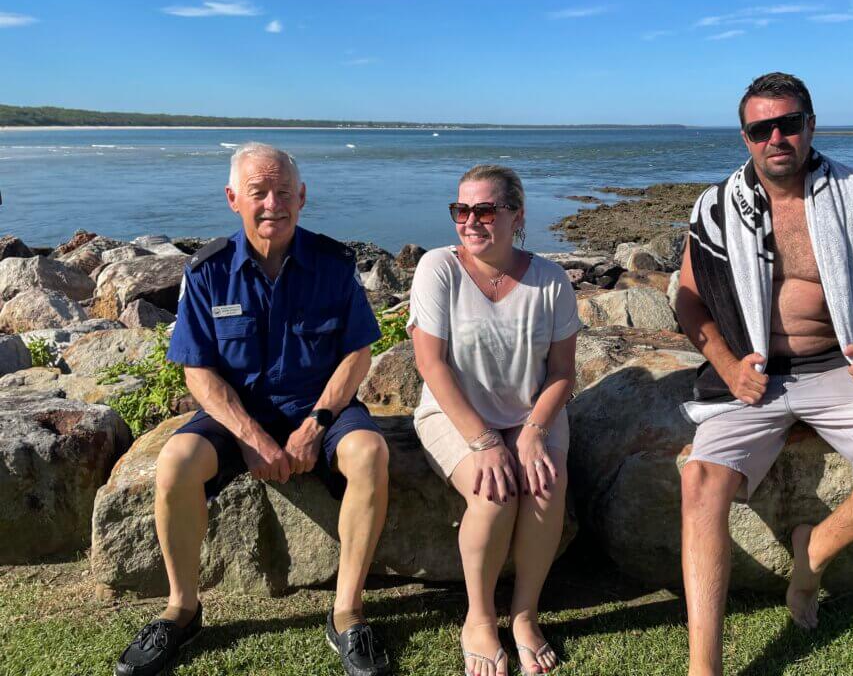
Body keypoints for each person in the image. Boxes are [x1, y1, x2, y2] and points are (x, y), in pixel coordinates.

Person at [676, 73, 853, 676]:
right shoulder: (717, 206)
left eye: (789, 124)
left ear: (810, 126)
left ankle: (814, 553)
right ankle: (705, 669)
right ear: (745, 137)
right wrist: (727, 365)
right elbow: (688, 301)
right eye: (761, 128)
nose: (777, 137)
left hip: (840, 366)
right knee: (699, 483)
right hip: (750, 375)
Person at [115, 143, 392, 676]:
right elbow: (197, 370)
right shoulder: (208, 271)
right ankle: (182, 608)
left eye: (284, 192)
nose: (273, 204)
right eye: (259, 192)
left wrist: (316, 424)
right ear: (232, 198)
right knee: (174, 463)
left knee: (370, 453)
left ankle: (347, 613)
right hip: (236, 414)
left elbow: (358, 353)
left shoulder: (333, 265)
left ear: (302, 197)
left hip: (318, 409)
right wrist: (251, 436)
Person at [408, 165, 580, 676]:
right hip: (453, 413)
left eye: (485, 210)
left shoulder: (550, 280)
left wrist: (533, 431)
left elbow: (563, 373)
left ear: (516, 215)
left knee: (546, 486)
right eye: (461, 210)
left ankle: (524, 615)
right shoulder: (438, 268)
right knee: (493, 492)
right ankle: (480, 619)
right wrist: (484, 441)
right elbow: (430, 364)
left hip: (533, 413)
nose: (470, 221)